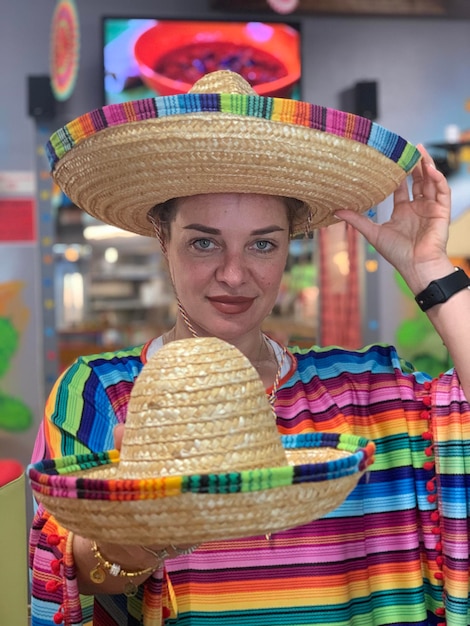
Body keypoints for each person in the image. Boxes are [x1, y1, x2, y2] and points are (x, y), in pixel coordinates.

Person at [29, 69, 470, 626]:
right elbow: (72, 572)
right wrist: (142, 531)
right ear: (163, 239)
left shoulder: (366, 389)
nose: (233, 274)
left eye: (262, 243)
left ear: (290, 248)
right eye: (204, 242)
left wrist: (430, 269)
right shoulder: (102, 394)